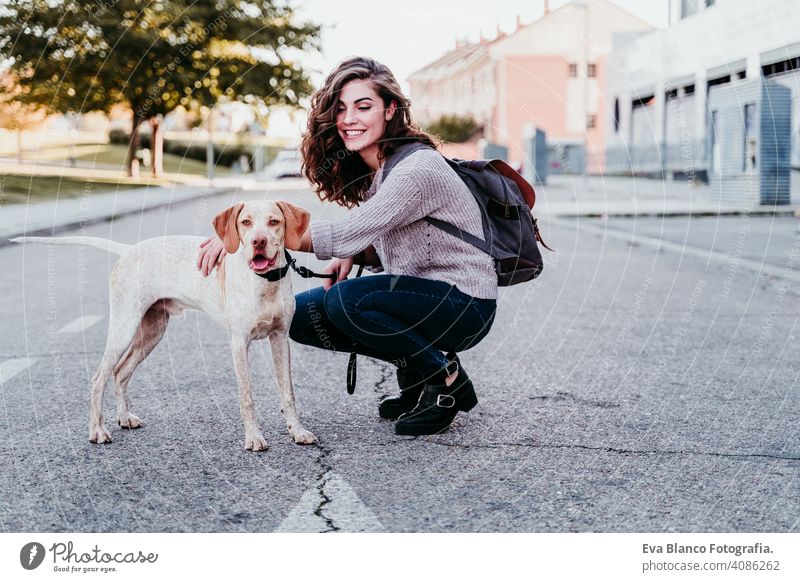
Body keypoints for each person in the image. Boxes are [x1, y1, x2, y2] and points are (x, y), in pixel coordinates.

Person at [198, 56, 497, 436]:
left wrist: (242, 236)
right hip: (429, 297)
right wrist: (356, 253)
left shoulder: (416, 169)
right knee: (301, 315)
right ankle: (419, 371)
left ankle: (444, 379)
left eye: (363, 106)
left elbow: (345, 234)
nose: (349, 118)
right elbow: (396, 239)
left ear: (391, 109)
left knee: (346, 301)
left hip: (465, 304)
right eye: (340, 108)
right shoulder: (382, 172)